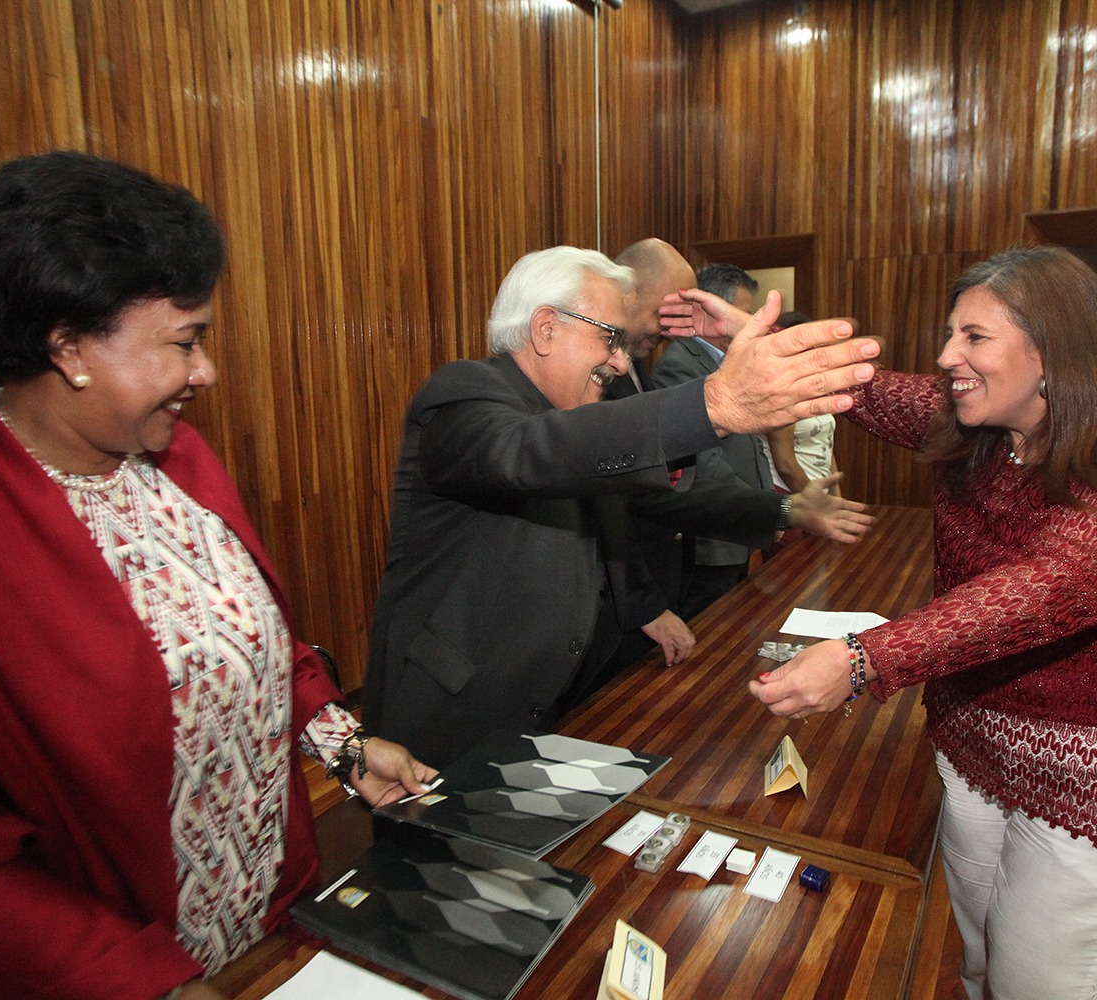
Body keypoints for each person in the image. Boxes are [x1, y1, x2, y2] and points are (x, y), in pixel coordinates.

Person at [0, 151, 438, 1000]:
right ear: (68, 346)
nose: (204, 371)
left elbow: (249, 645)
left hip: (266, 929)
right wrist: (144, 983)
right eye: (183, 342)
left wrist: (343, 744)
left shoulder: (176, 459)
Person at [670, 246, 1097, 1000]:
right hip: (974, 745)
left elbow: (1041, 591)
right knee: (982, 960)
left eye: (974, 337)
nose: (946, 355)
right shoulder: (980, 427)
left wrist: (863, 659)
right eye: (951, 333)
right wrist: (749, 339)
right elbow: (860, 388)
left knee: (1041, 985)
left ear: (1052, 350)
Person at [363, 246, 880, 767]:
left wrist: (778, 513)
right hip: (449, 717)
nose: (621, 360)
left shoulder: (575, 408)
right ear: (545, 328)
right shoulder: (463, 392)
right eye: (609, 337)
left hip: (548, 704)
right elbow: (527, 452)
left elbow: (640, 502)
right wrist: (714, 405)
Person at [598, 241, 872, 676]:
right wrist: (645, 604)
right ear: (626, 291)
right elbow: (628, 500)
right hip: (622, 601)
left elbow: (669, 487)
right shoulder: (615, 371)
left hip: (660, 574)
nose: (670, 327)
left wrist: (784, 507)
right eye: (664, 312)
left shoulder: (638, 364)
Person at [652, 262, 774, 618]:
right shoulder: (680, 365)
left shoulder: (728, 362)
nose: (747, 324)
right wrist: (762, 511)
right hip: (712, 538)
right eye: (743, 313)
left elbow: (753, 445)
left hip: (737, 530)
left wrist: (765, 503)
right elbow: (704, 461)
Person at [766, 310, 843, 497]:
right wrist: (819, 503)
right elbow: (785, 465)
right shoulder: (778, 392)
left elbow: (825, 444)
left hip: (818, 495)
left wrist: (836, 495)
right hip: (789, 495)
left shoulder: (815, 386)